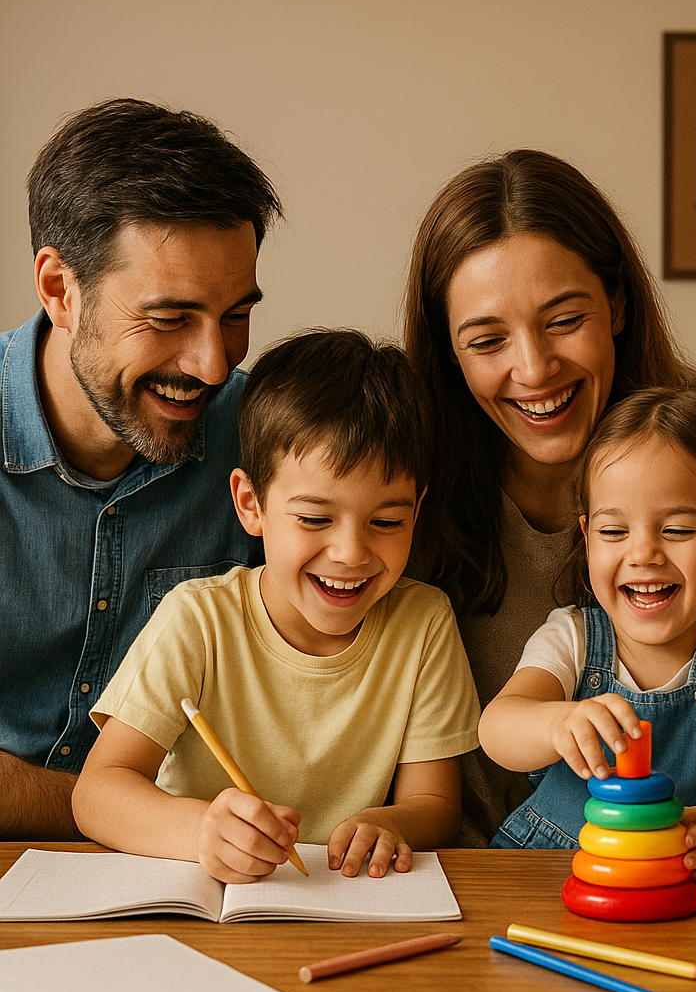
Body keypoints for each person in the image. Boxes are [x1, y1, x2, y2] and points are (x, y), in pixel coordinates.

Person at [404, 148, 696, 845]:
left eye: (564, 320)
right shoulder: (405, 486)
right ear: (449, 352)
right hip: (481, 870)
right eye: (487, 339)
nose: (533, 368)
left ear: (617, 304)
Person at [73, 330, 480, 883]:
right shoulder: (198, 619)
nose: (351, 553)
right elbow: (97, 793)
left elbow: (434, 803)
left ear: (418, 509)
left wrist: (391, 823)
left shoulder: (424, 623)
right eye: (314, 519)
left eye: (387, 522)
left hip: (349, 902)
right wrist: (202, 833)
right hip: (198, 902)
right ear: (251, 505)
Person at [0, 99, 281, 840]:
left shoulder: (264, 438)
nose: (213, 364)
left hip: (199, 878)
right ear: (60, 289)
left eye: (236, 315)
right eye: (169, 319)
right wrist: (124, 810)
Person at [477, 387, 696, 880]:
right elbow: (497, 727)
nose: (643, 554)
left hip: (676, 879)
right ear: (587, 536)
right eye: (614, 532)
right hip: (543, 872)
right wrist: (555, 724)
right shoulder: (571, 635)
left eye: (676, 530)